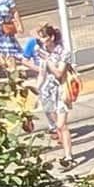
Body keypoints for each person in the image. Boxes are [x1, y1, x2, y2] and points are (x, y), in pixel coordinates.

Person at [31, 24, 79, 165]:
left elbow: (59, 73)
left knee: (61, 125)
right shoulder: (43, 52)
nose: (41, 41)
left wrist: (48, 60)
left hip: (61, 92)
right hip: (47, 93)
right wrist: (37, 91)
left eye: (44, 37)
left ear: (51, 37)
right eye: (40, 38)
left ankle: (69, 157)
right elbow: (41, 73)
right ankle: (66, 153)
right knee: (56, 126)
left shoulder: (63, 53)